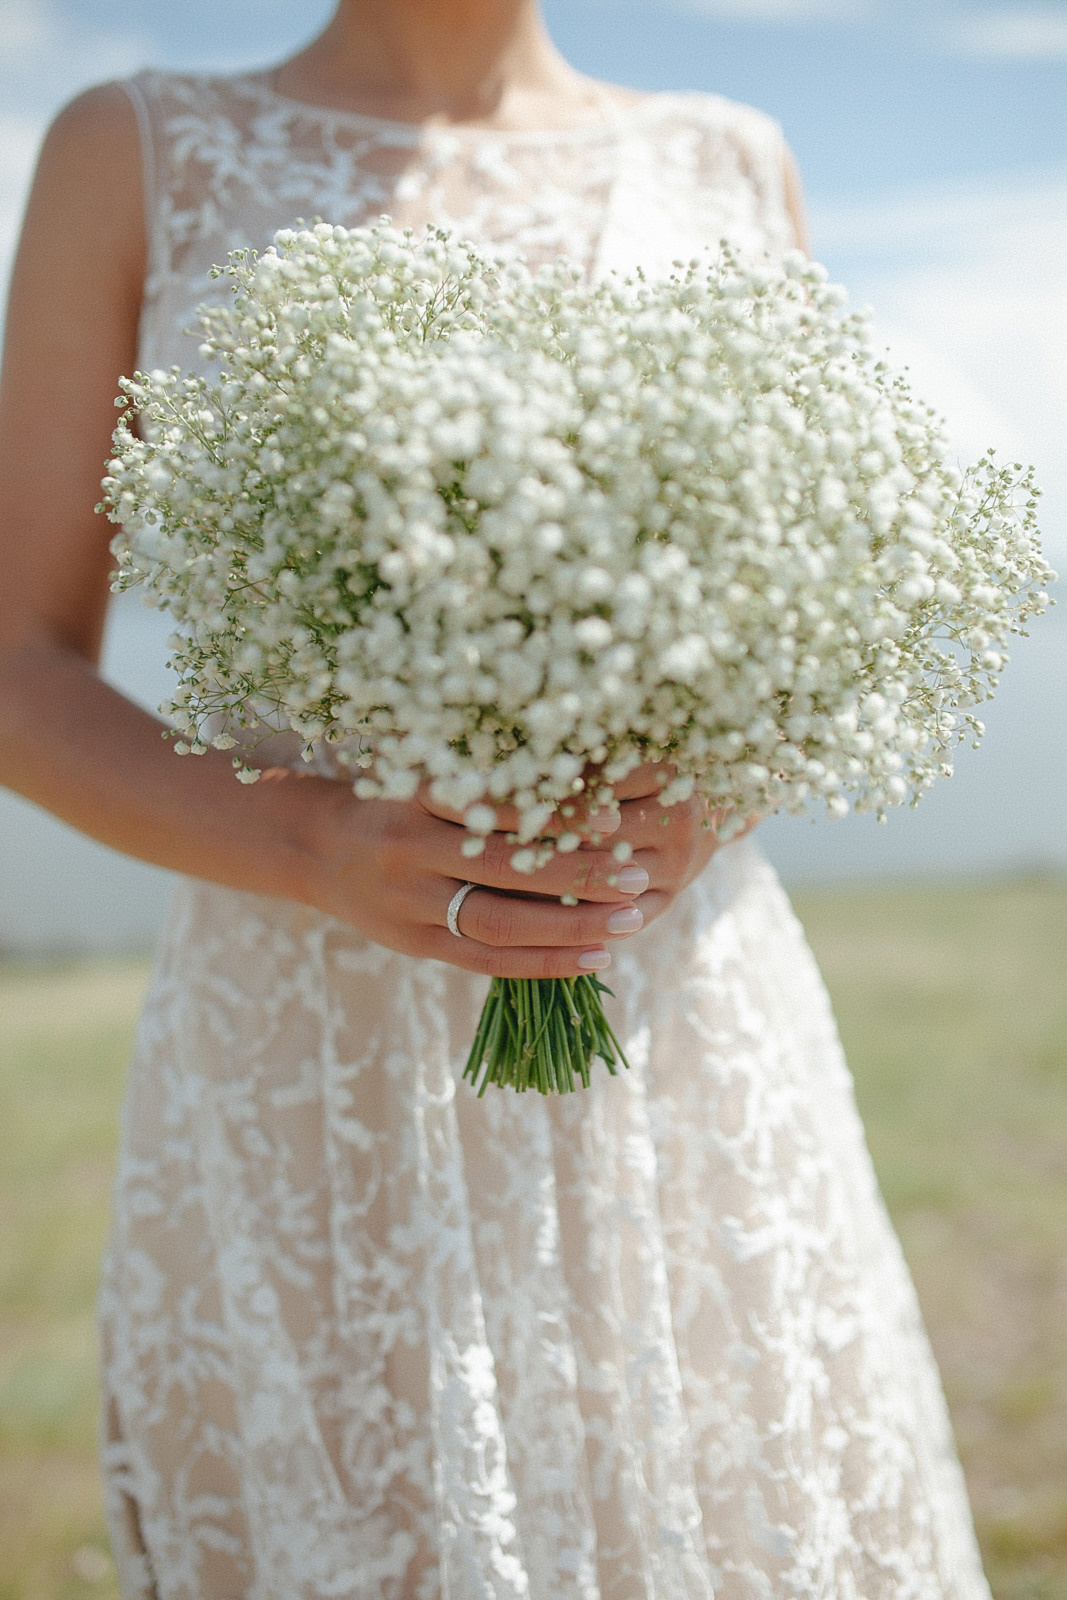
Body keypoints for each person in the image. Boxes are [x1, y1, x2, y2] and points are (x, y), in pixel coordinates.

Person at [0, 2, 993, 1595]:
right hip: (305, 1061)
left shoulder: (733, 159)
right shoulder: (135, 147)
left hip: (676, 1040)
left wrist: (706, 807)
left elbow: (806, 612)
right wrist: (319, 845)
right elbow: (17, 665)